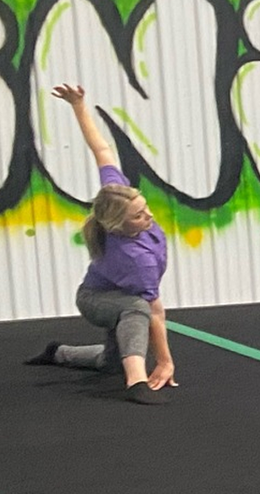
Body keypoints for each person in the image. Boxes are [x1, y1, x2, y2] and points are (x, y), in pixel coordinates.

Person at [23, 84, 176, 405]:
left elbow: (102, 150)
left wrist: (78, 105)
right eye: (139, 216)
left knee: (111, 362)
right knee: (137, 308)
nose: (149, 215)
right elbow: (154, 311)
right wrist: (164, 361)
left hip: (118, 294)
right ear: (118, 225)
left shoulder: (115, 195)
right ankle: (136, 382)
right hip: (95, 300)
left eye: (145, 206)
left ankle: (58, 353)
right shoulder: (134, 258)